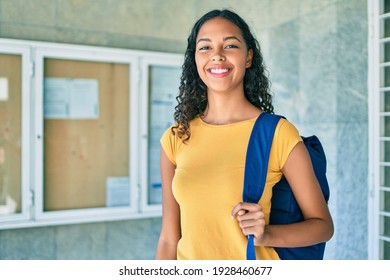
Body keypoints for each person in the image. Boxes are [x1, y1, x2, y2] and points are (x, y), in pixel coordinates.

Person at [155, 9, 333, 260]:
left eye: (230, 45)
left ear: (248, 57)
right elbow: (169, 238)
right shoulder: (176, 138)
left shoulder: (277, 133)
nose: (217, 56)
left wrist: (266, 235)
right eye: (205, 47)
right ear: (194, 60)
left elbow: (323, 226)